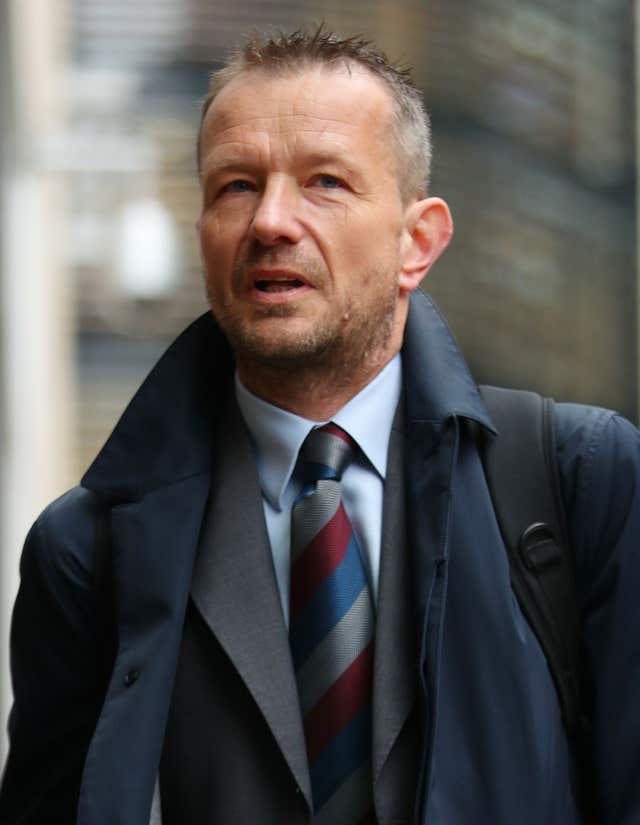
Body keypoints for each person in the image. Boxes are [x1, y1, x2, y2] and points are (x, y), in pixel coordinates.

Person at [1, 25, 639, 825]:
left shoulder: (580, 481)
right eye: (235, 186)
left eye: (325, 182)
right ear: (202, 232)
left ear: (419, 241)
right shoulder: (86, 552)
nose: (270, 220)